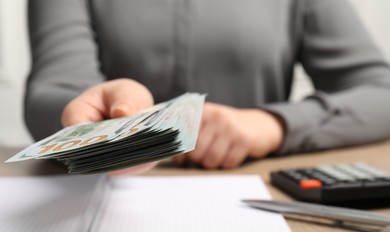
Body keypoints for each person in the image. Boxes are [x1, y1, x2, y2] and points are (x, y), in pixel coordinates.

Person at [25, 0, 390, 170]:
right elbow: (51, 88)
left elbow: (381, 92)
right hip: (105, 196)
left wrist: (272, 124)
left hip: (257, 192)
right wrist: (89, 114)